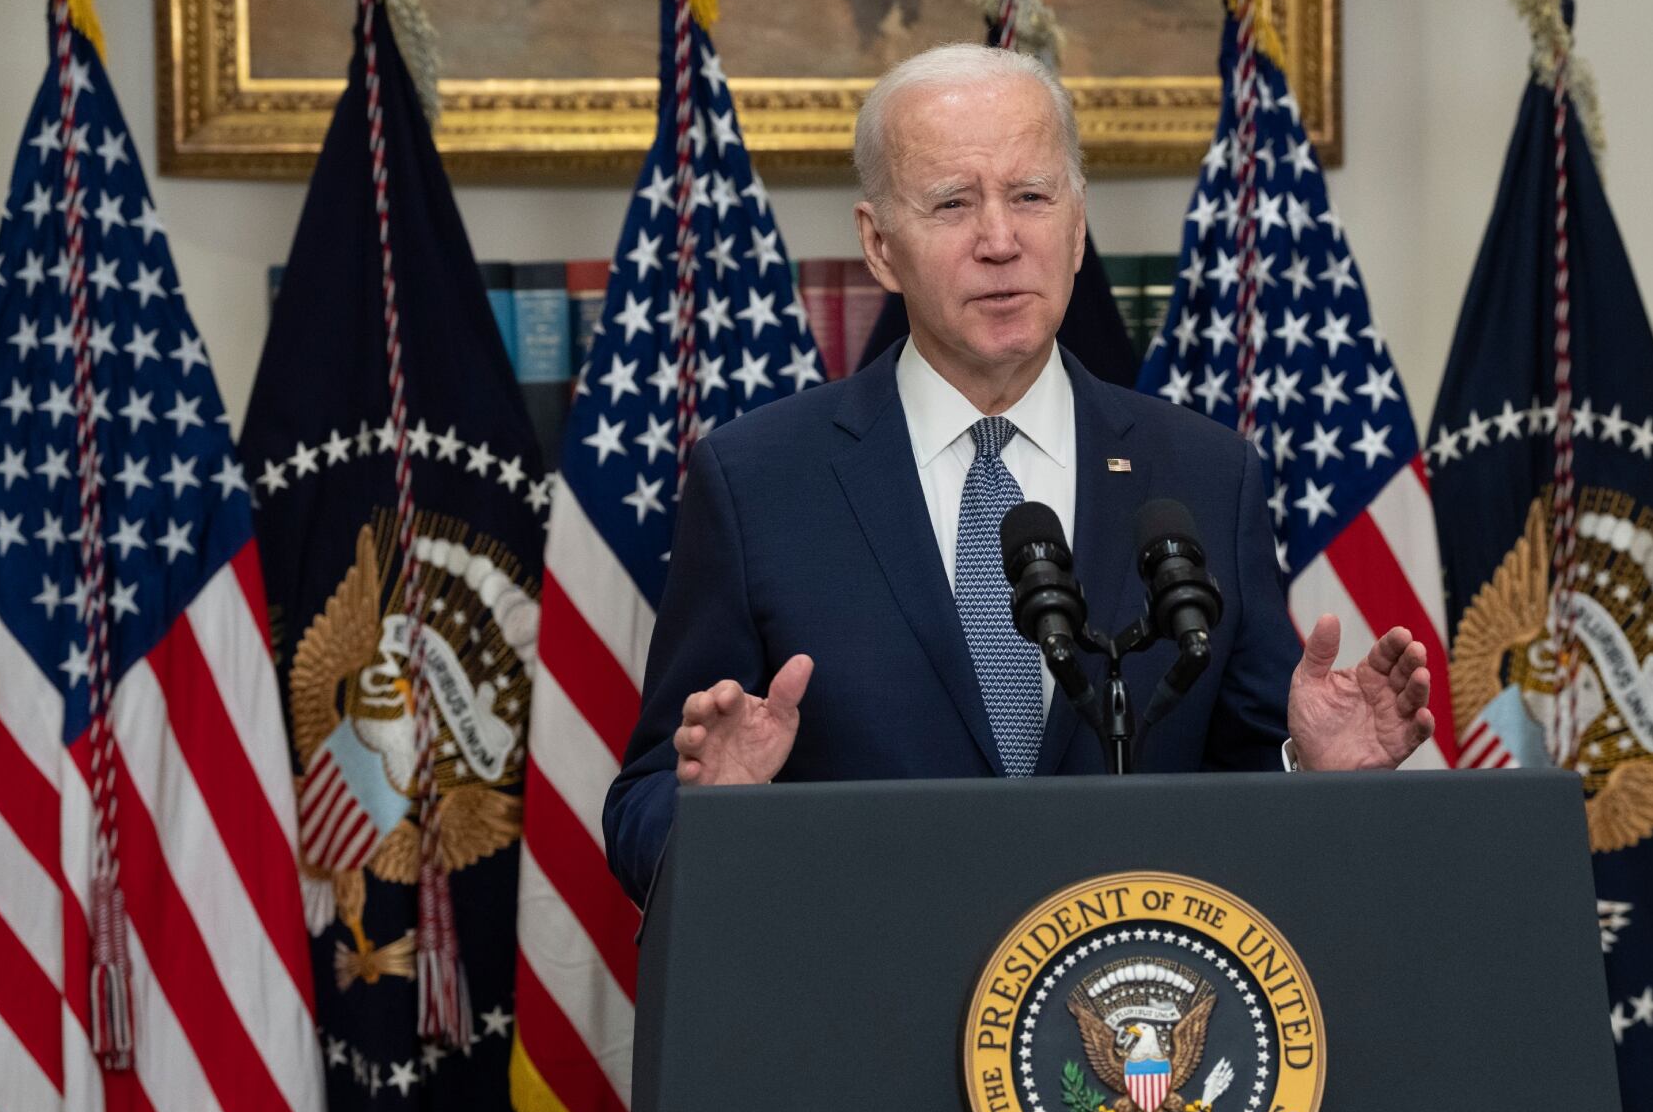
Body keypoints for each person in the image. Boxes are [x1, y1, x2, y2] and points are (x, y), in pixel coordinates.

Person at [601, 44, 1433, 905]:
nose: (1000, 241)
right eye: (953, 204)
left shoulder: (1205, 473)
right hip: (865, 1007)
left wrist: (1316, 770)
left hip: (1124, 1015)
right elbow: (640, 810)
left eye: (1031, 197)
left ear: (1076, 227)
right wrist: (716, 815)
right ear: (879, 245)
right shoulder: (758, 483)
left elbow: (1239, 783)